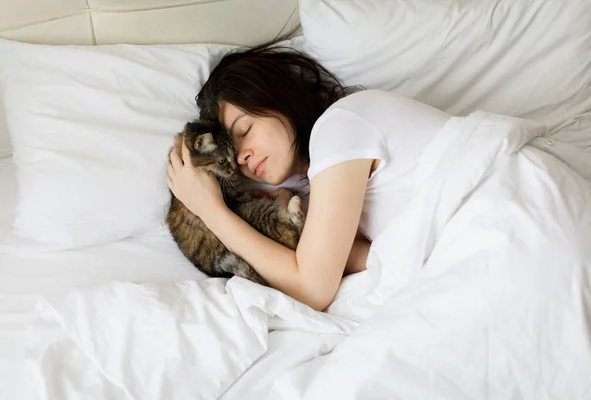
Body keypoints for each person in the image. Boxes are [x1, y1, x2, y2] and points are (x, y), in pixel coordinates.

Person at [167, 43, 450, 311]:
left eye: (245, 130)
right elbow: (380, 256)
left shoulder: (340, 125)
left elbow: (312, 289)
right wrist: (303, 232)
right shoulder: (330, 173)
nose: (241, 157)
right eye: (234, 153)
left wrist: (210, 210)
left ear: (278, 98)